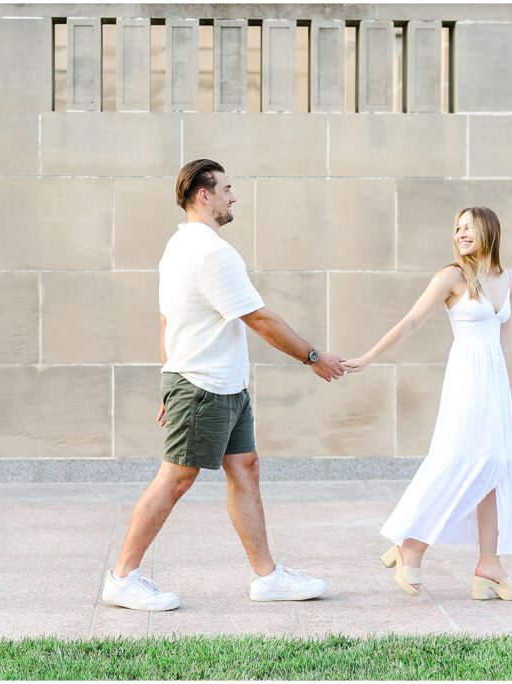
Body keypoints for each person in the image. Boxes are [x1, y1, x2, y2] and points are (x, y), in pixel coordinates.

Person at [101, 159, 346, 611]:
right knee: (176, 478)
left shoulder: (179, 247)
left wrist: (168, 377)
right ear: (203, 195)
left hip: (221, 384)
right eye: (227, 189)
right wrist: (313, 357)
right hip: (203, 386)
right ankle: (122, 576)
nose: (234, 197)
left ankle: (267, 577)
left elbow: (168, 320)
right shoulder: (212, 253)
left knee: (245, 468)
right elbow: (258, 317)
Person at [343, 206, 512, 601]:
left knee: (493, 469)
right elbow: (411, 321)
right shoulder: (453, 277)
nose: (460, 234)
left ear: (489, 231)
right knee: (459, 461)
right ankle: (412, 544)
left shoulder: (508, 280)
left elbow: (507, 341)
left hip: (494, 387)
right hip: (466, 381)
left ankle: (488, 566)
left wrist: (507, 395)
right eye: (457, 228)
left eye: (468, 227)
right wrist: (369, 357)